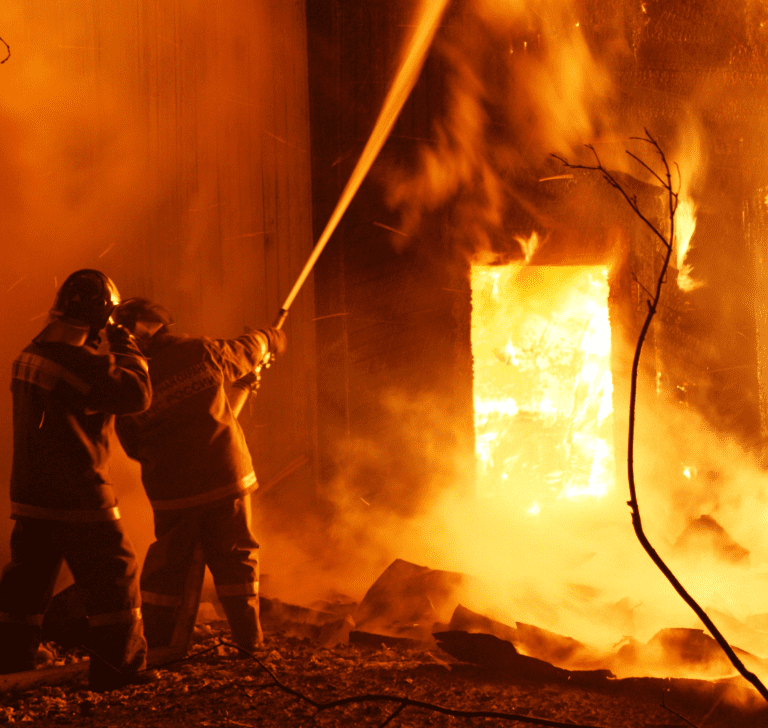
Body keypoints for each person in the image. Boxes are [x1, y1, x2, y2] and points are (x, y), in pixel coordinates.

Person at [0, 269, 153, 691]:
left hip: (32, 494)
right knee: (116, 573)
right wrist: (125, 344)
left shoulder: (31, 353)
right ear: (100, 317)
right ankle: (119, 669)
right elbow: (136, 394)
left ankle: (9, 662)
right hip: (78, 494)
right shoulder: (80, 363)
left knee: (26, 585)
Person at [112, 298, 286, 654]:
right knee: (236, 560)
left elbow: (132, 444)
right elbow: (246, 350)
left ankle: (158, 645)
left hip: (172, 492)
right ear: (161, 325)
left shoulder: (128, 379)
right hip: (225, 479)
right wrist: (271, 338)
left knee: (167, 569)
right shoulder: (199, 352)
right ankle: (249, 642)